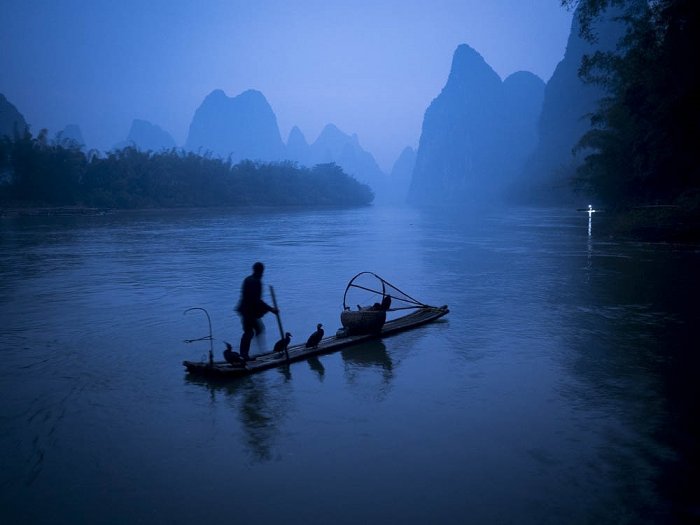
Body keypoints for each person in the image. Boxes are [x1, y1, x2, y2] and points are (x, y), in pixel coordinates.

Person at [236, 262, 278, 360]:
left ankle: (247, 353)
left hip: (244, 310)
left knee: (254, 330)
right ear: (261, 271)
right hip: (248, 311)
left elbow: (250, 298)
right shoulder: (256, 282)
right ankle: (246, 354)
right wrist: (271, 309)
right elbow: (257, 300)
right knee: (251, 332)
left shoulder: (247, 279)